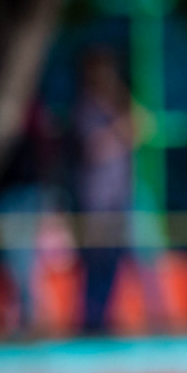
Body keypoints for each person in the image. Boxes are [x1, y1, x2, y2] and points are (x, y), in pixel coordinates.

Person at [72, 48, 138, 335]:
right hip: (95, 199)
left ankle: (104, 317)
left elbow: (141, 126)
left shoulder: (116, 105)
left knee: (113, 261)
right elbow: (96, 148)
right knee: (95, 261)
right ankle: (91, 319)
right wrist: (120, 130)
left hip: (118, 197)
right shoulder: (85, 108)